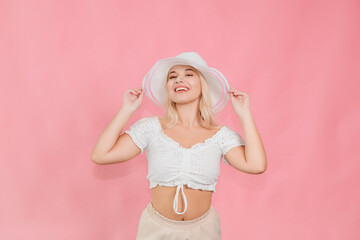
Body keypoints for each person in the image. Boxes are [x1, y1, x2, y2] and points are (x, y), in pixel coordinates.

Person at [91, 52, 267, 239]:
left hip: (204, 230)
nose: (178, 80)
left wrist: (244, 113)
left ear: (203, 85)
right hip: (156, 230)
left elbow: (256, 165)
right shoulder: (150, 128)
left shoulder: (220, 136)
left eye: (189, 74)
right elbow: (101, 155)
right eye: (172, 77)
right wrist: (126, 109)